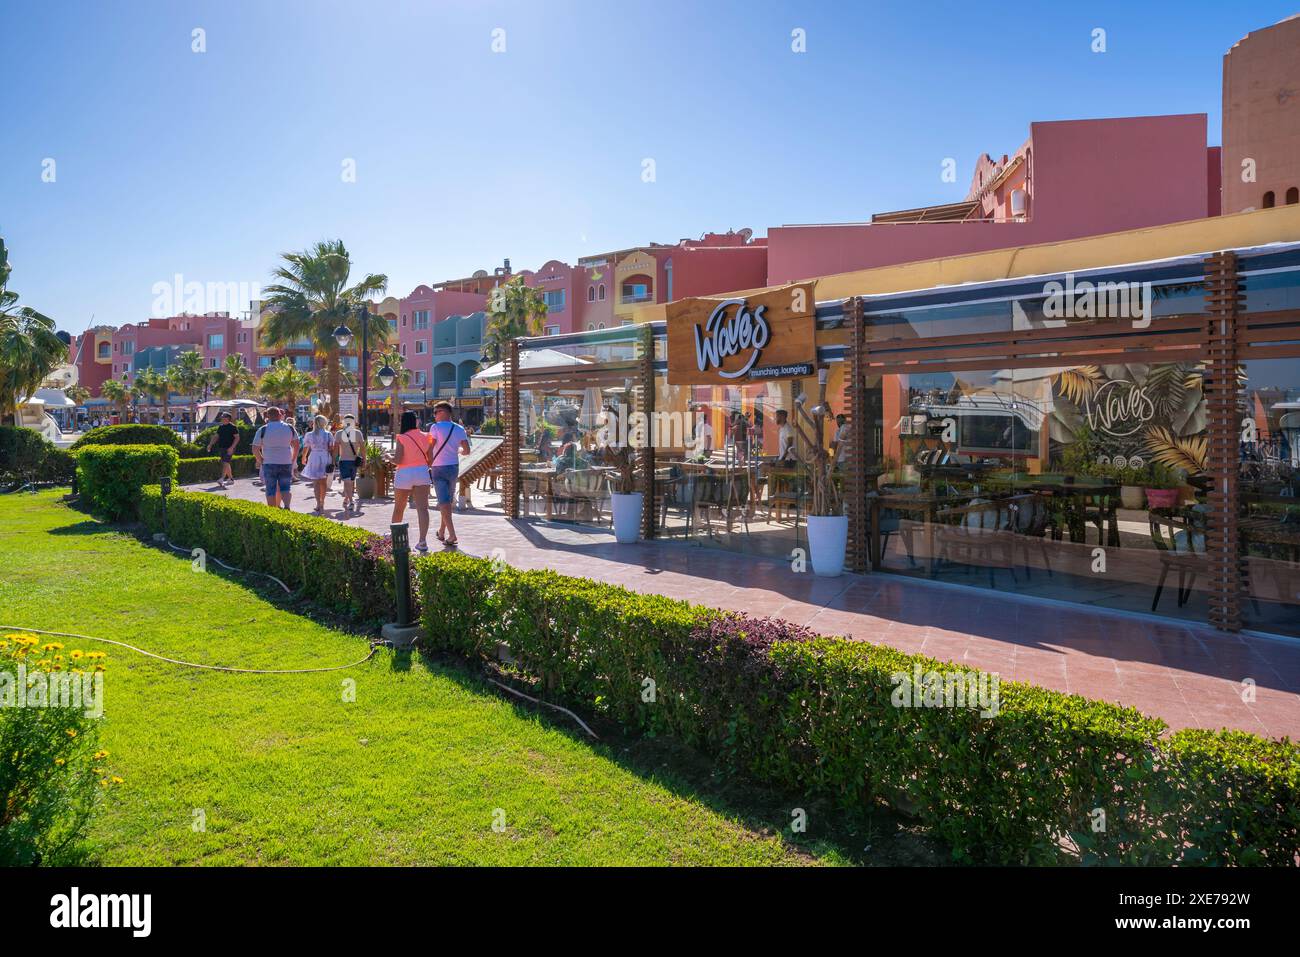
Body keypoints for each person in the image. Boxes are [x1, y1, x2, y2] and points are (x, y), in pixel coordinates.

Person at [427, 401, 470, 546]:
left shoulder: (435, 428)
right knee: (448, 501)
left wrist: (428, 463)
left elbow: (430, 447)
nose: (434, 416)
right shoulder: (459, 429)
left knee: (443, 502)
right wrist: (457, 451)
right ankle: (441, 531)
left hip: (438, 468)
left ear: (442, 412)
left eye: (435, 412)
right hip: (453, 467)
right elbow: (467, 451)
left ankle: (452, 535)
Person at [390, 410, 434, 551]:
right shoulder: (427, 436)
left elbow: (398, 460)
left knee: (399, 508)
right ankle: (422, 542)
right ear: (416, 421)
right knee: (423, 508)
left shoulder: (401, 437)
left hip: (404, 473)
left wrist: (388, 457)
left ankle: (396, 539)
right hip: (422, 472)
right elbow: (430, 460)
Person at [251, 407, 299, 509]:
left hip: (269, 462)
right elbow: (296, 445)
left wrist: (261, 460)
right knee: (286, 488)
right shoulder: (289, 428)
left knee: (270, 489)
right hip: (286, 461)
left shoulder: (263, 429)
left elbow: (255, 449)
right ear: (280, 415)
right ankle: (287, 506)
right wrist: (293, 459)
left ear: (268, 416)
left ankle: (273, 512)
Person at [300, 414, 335, 514]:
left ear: (315, 423)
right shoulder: (328, 434)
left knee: (315, 483)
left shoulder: (309, 434)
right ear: (324, 423)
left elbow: (306, 448)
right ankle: (322, 502)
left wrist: (303, 457)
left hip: (314, 457)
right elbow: (332, 449)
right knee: (323, 482)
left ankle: (317, 504)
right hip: (324, 456)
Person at [334, 413, 366, 514]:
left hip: (344, 460)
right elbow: (363, 448)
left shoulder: (339, 433)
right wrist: (364, 459)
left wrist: (334, 459)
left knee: (348, 482)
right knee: (350, 482)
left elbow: (335, 448)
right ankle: (347, 499)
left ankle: (351, 501)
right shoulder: (358, 433)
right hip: (354, 461)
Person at [207, 412, 240, 488]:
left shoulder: (233, 427)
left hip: (230, 448)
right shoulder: (221, 427)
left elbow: (237, 438)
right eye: (222, 418)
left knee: (225, 462)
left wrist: (232, 447)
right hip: (222, 447)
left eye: (224, 418)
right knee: (226, 463)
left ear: (228, 419)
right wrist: (210, 444)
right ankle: (231, 479)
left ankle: (222, 478)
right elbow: (216, 436)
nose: (222, 419)